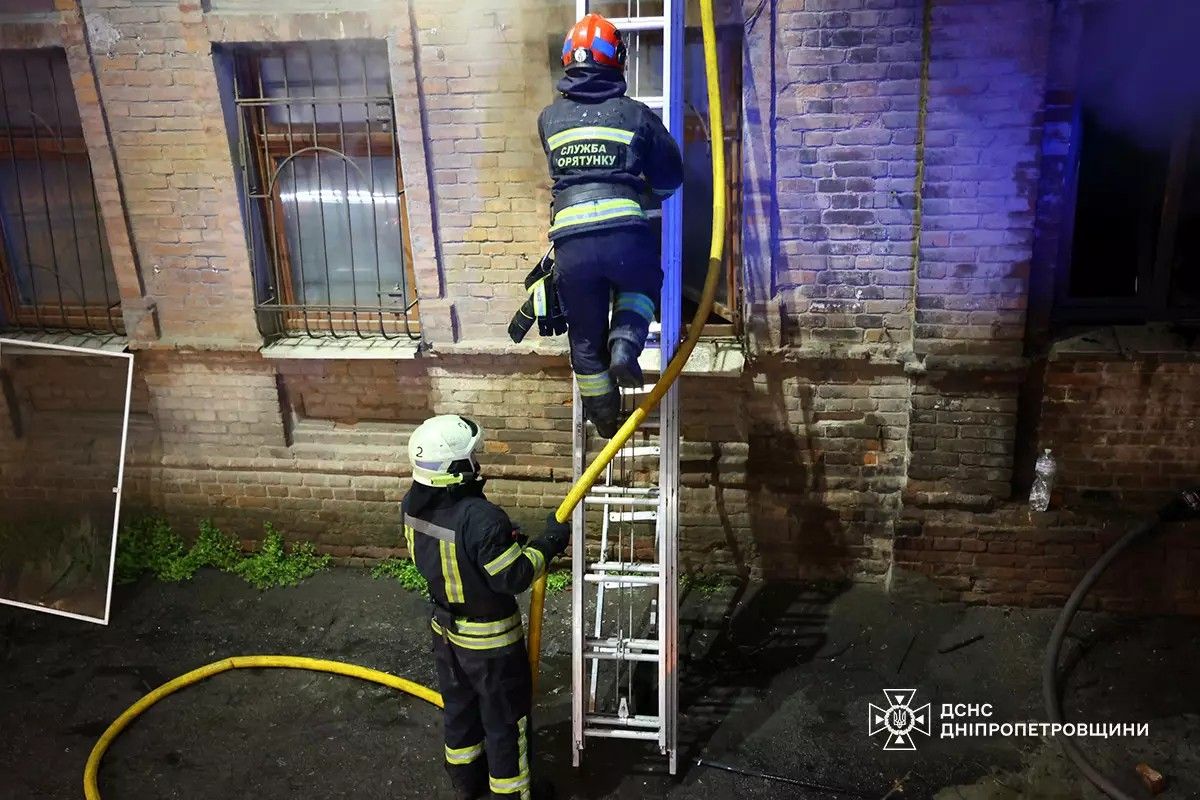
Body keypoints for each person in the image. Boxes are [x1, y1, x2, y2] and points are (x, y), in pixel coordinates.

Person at [402, 415, 570, 800]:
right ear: (455, 470)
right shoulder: (481, 519)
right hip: (490, 645)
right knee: (506, 721)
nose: (476, 464)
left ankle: (466, 781)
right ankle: (512, 794)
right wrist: (550, 542)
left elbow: (460, 555)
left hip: (445, 635)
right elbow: (513, 576)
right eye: (471, 459)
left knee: (460, 709)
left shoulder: (412, 504)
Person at [538, 12, 684, 438]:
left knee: (584, 340)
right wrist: (647, 196)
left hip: (572, 247)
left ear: (569, 61)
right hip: (625, 235)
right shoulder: (635, 115)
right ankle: (625, 340)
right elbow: (671, 176)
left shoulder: (548, 119)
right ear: (617, 60)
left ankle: (603, 419)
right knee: (642, 280)